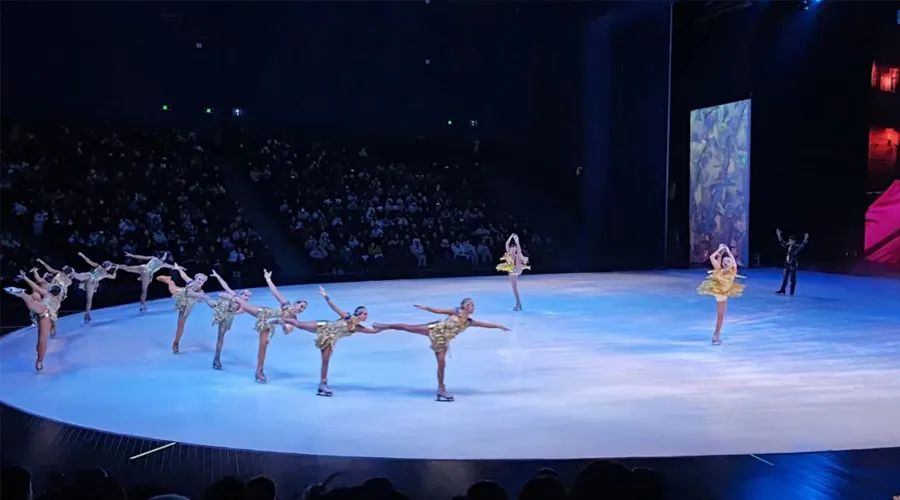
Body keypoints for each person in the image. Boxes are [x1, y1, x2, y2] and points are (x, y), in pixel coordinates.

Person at [374, 298, 509, 401]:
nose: (472, 306)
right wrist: (426, 308)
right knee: (408, 327)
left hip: (442, 341)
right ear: (464, 306)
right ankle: (384, 326)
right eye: (469, 304)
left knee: (442, 363)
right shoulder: (455, 311)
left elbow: (485, 325)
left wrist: (498, 326)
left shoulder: (469, 322)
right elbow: (438, 311)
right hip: (433, 329)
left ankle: (441, 389)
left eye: (473, 305)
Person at [279, 286, 383, 396]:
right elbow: (335, 308)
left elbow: (373, 331)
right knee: (299, 324)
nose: (366, 316)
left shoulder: (357, 328)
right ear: (359, 314)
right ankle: (278, 319)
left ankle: (323, 384)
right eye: (365, 314)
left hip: (329, 339)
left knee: (325, 361)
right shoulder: (348, 317)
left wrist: (384, 327)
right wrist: (325, 296)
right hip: (324, 325)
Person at [225, 269, 307, 383]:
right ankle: (229, 300)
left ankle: (259, 372)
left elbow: (287, 331)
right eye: (301, 306)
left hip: (267, 325)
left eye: (304, 309)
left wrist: (283, 324)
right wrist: (268, 279)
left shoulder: (294, 319)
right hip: (263, 312)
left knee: (262, 348)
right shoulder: (286, 304)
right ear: (296, 303)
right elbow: (275, 292)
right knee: (242, 303)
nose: (302, 309)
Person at [6, 274, 65, 372]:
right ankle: (39, 361)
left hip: (43, 315)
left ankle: (23, 295)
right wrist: (25, 278)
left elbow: (35, 286)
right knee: (42, 340)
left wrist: (26, 278)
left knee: (40, 341)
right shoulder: (52, 296)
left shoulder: (51, 296)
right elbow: (35, 286)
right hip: (43, 315)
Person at [697, 244, 745, 345]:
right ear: (725, 263)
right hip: (722, 294)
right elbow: (733, 261)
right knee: (720, 317)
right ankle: (716, 335)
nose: (729, 262)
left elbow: (712, 257)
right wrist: (727, 251)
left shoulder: (719, 269)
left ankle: (716, 335)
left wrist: (720, 251)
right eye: (728, 261)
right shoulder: (732, 271)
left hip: (719, 293)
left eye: (728, 261)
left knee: (720, 316)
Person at [156, 266, 207, 354]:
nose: (200, 281)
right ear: (195, 279)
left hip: (187, 307)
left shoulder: (201, 292)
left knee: (180, 325)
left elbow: (201, 299)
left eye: (202, 280)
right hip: (181, 295)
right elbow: (184, 276)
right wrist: (178, 269)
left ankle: (176, 342)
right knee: (172, 288)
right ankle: (169, 280)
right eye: (199, 279)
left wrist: (199, 298)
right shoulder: (190, 282)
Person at [116, 251, 181, 312]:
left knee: (127, 268)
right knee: (144, 290)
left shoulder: (154, 258)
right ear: (164, 257)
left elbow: (142, 257)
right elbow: (173, 267)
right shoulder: (163, 264)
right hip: (146, 273)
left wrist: (131, 255)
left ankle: (115, 265)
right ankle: (142, 306)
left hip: (142, 267)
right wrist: (180, 268)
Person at [74, 252, 119, 323]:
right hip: (89, 278)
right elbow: (89, 261)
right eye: (110, 266)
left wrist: (115, 269)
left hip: (91, 283)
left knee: (89, 299)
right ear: (107, 266)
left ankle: (87, 314)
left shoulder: (105, 273)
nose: (110, 267)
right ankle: (71, 273)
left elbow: (113, 277)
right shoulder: (99, 267)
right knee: (84, 278)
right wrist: (82, 255)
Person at [496, 233, 530, 311]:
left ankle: (518, 304)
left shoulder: (517, 254)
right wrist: (511, 236)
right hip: (512, 272)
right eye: (512, 248)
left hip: (518, 269)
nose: (513, 250)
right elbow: (506, 243)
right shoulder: (509, 253)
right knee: (515, 289)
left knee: (519, 255)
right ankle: (519, 303)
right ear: (510, 249)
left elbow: (519, 250)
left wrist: (516, 241)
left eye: (514, 248)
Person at [775, 229, 809, 296]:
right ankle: (782, 290)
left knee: (792, 280)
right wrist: (779, 235)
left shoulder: (797, 246)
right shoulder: (788, 245)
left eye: (790, 241)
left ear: (794, 241)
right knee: (785, 279)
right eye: (789, 240)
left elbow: (802, 245)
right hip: (786, 264)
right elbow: (781, 242)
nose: (789, 241)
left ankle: (791, 292)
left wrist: (806, 238)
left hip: (793, 265)